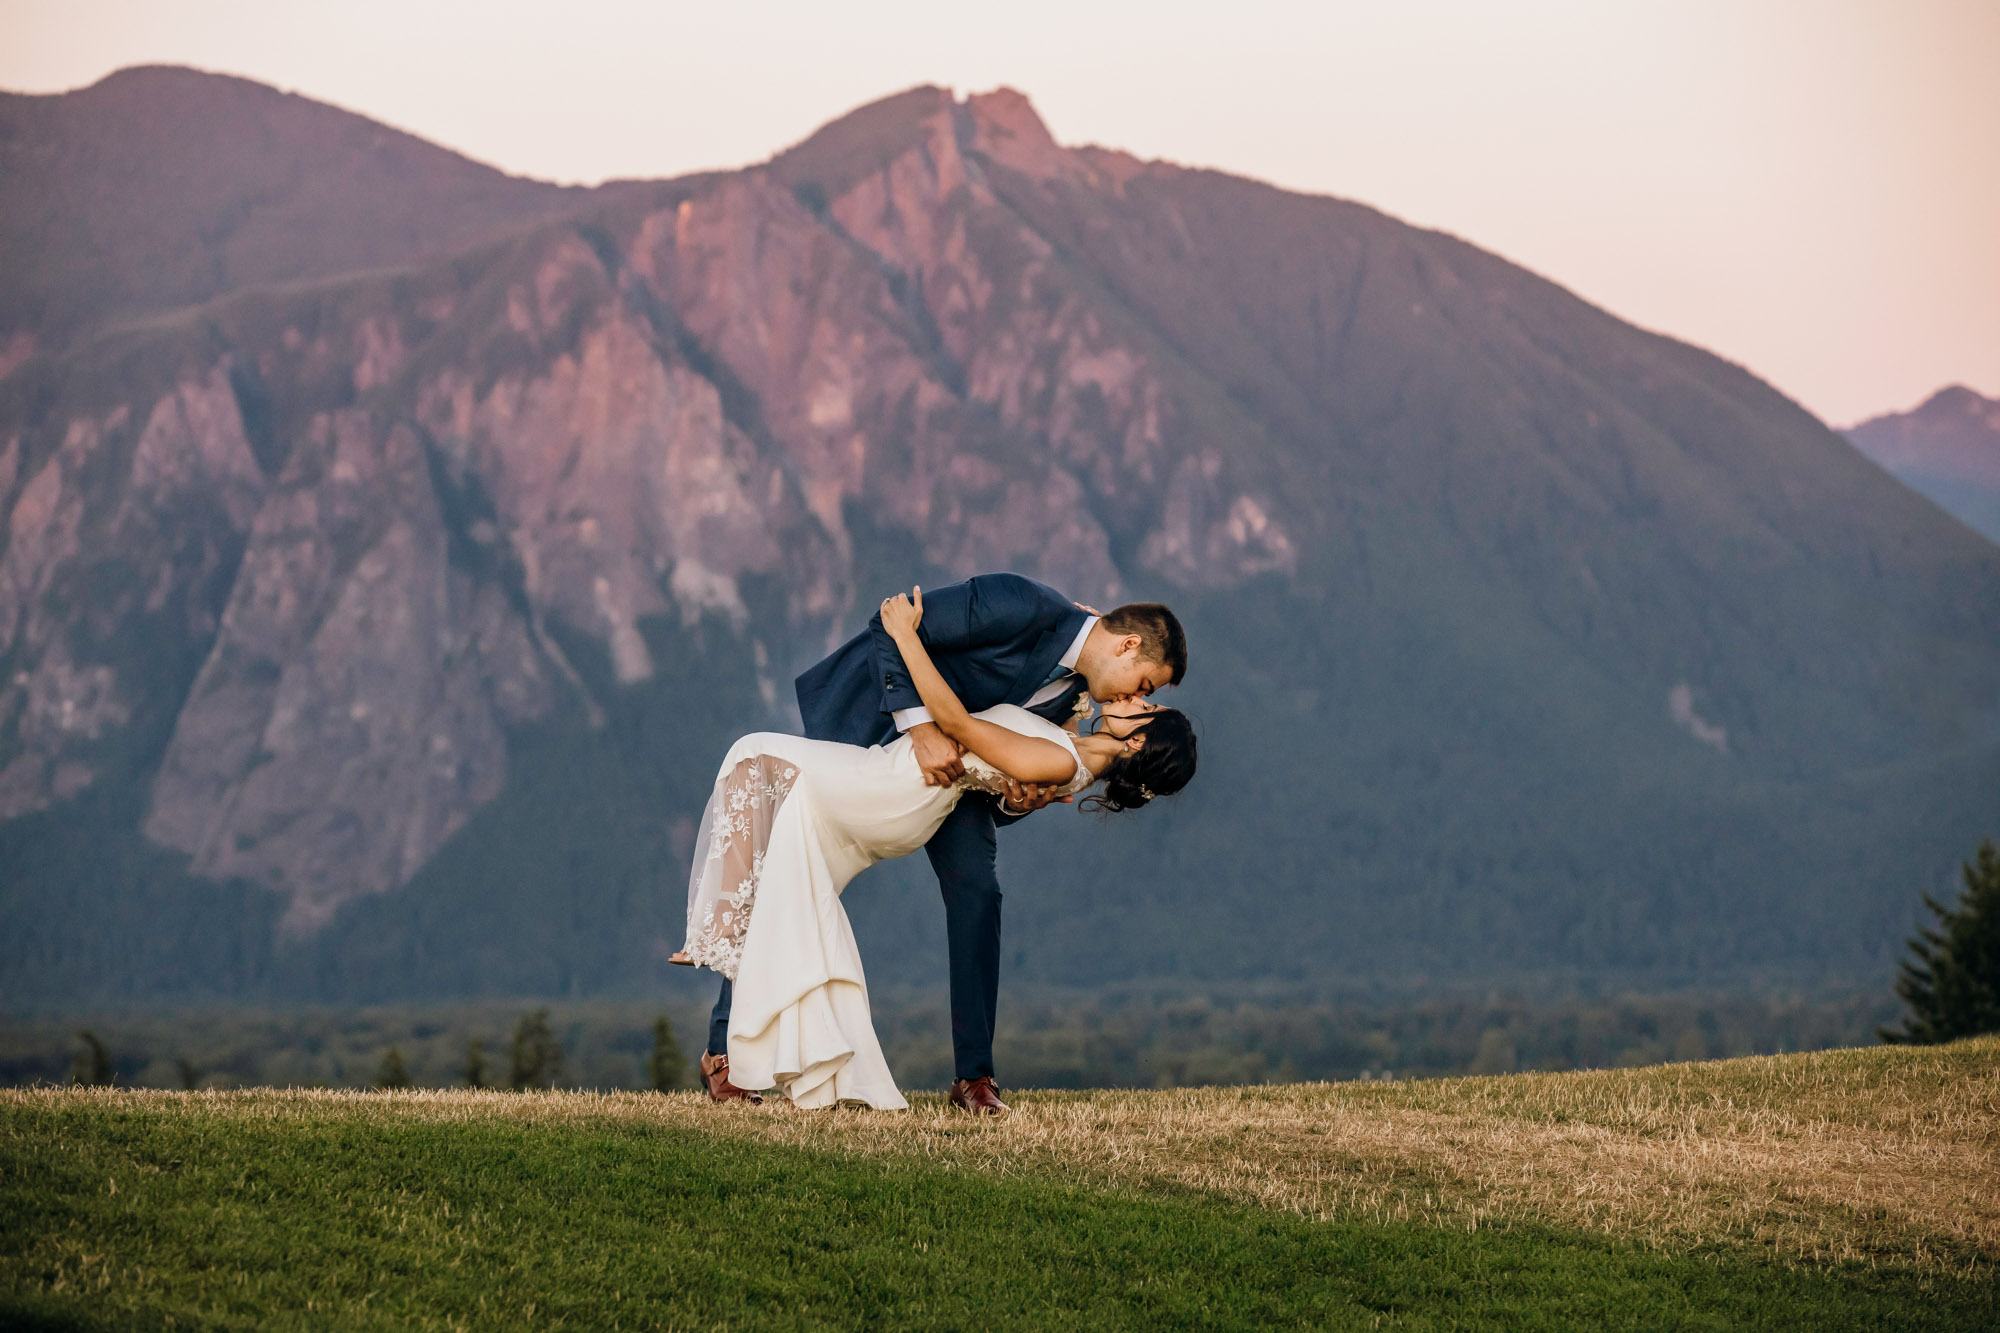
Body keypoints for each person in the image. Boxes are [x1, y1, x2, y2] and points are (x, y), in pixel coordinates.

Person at [674, 575, 1194, 1110]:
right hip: (887, 739)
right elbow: (889, 624)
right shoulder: (1021, 604)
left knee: (977, 893)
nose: (1135, 696)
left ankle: (974, 1078)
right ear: (1128, 645)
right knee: (791, 867)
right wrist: (919, 727)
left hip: (951, 791)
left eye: (1144, 699)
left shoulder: (1082, 699)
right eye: (1144, 685)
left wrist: (1018, 800)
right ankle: (725, 1055)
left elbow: (1006, 769)